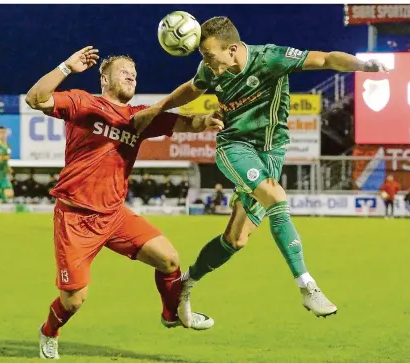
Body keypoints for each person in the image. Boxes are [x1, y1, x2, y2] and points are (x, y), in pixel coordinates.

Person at [134, 16, 388, 326]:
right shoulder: (210, 71)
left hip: (272, 154)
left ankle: (184, 284)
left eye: (210, 55)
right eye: (203, 56)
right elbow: (190, 89)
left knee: (236, 239)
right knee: (276, 196)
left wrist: (363, 66)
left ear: (232, 49)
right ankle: (307, 286)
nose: (207, 63)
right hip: (235, 148)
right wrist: (157, 109)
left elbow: (324, 58)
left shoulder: (270, 58)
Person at [25, 46, 223, 360]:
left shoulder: (138, 118)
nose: (131, 76)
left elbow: (188, 124)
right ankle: (49, 331)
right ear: (104, 78)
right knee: (73, 300)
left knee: (169, 260)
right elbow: (34, 99)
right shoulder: (83, 103)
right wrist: (66, 67)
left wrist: (208, 119)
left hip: (115, 215)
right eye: (123, 71)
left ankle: (170, 314)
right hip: (76, 217)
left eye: (134, 74)